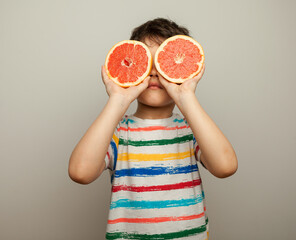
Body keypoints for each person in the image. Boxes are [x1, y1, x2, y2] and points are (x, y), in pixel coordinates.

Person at [68, 17, 238, 240]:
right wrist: (118, 99)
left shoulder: (190, 130)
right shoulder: (118, 132)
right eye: (146, 62)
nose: (155, 71)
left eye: (165, 62)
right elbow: (80, 172)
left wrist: (185, 96)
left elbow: (225, 167)